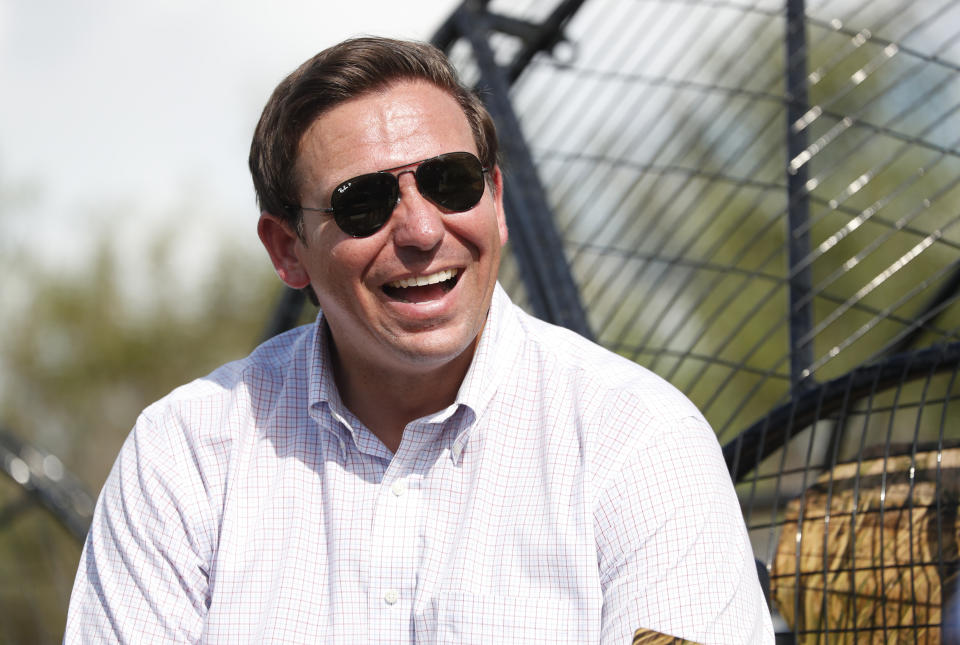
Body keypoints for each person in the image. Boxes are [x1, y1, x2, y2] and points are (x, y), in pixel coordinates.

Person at [65, 36, 774, 643]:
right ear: (288, 250)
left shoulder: (639, 443)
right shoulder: (184, 459)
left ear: (495, 201)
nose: (422, 230)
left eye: (451, 182)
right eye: (364, 204)